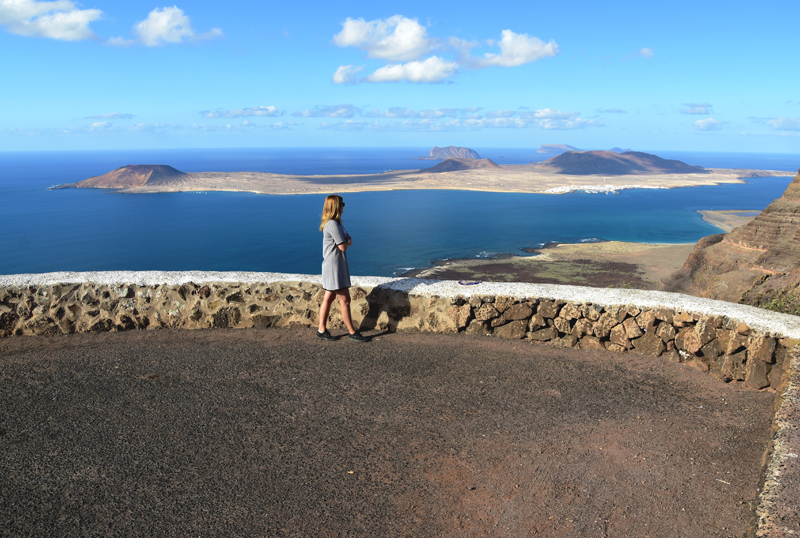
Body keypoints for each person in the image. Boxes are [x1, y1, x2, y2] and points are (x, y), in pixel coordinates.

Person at [317, 195, 368, 342]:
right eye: (342, 204)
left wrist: (347, 240)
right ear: (335, 207)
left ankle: (321, 330)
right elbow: (343, 245)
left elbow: (346, 239)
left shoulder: (337, 224)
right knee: (345, 300)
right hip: (334, 267)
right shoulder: (332, 225)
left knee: (329, 297)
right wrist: (349, 241)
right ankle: (352, 332)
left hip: (334, 265)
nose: (344, 206)